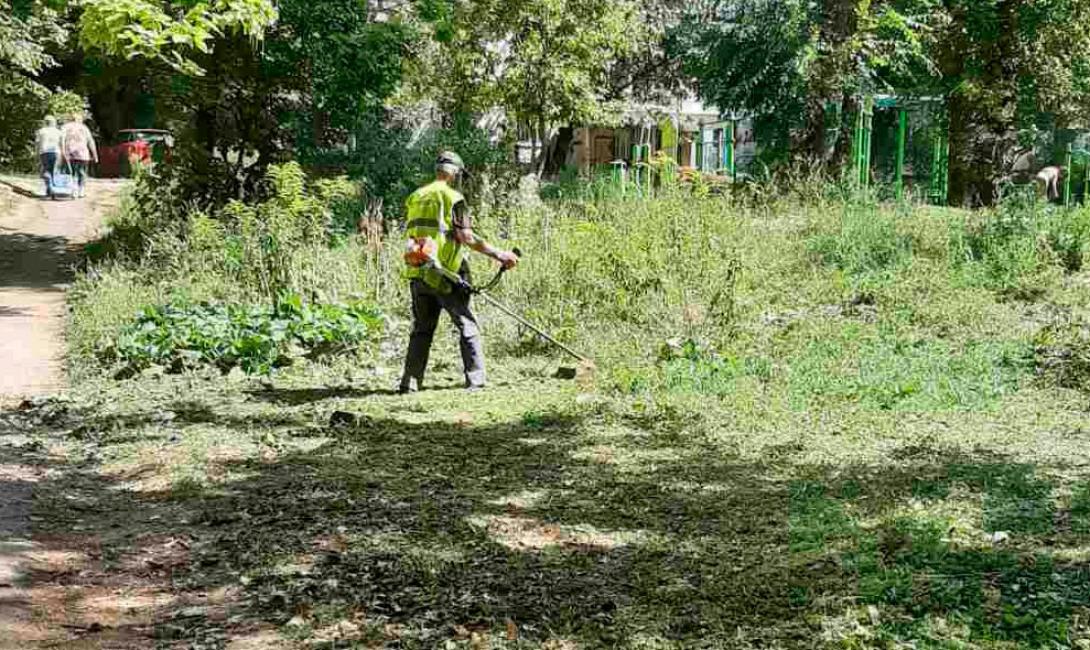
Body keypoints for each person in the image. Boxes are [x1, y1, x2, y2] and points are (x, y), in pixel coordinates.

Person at [399, 151, 519, 393]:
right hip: (446, 272)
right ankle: (476, 380)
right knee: (467, 325)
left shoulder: (415, 196)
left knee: (421, 329)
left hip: (418, 271)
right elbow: (466, 237)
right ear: (454, 173)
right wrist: (500, 255)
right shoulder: (453, 197)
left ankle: (410, 383)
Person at [60, 112, 98, 198]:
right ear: (80, 120)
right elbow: (90, 141)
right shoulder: (84, 128)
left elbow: (62, 139)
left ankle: (74, 191)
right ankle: (81, 190)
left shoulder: (66, 127)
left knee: (72, 172)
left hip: (70, 152)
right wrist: (95, 155)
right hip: (83, 153)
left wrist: (63, 151)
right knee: (82, 172)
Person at [34, 116, 61, 198]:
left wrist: (36, 153)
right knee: (53, 171)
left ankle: (50, 188)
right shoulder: (58, 132)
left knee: (46, 170)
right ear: (54, 122)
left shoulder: (41, 131)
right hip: (56, 152)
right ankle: (52, 190)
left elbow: (37, 144)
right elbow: (61, 143)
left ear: (45, 122)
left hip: (44, 152)